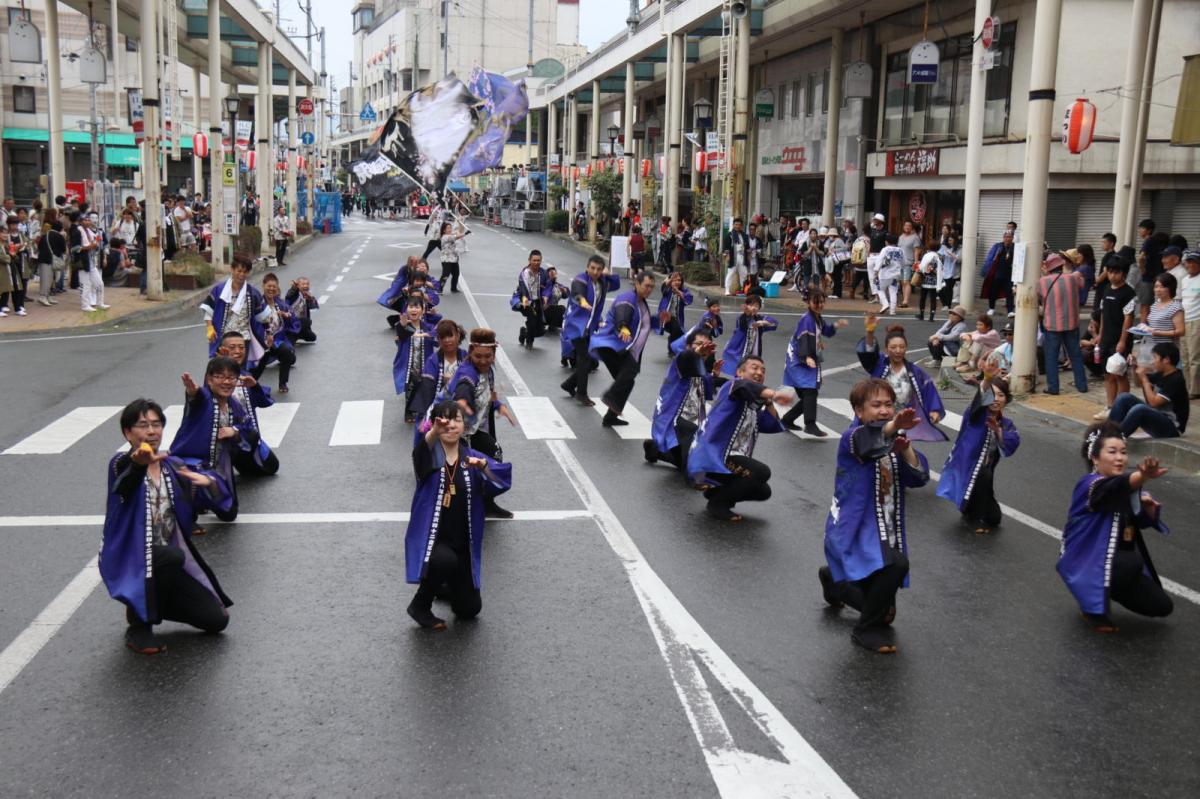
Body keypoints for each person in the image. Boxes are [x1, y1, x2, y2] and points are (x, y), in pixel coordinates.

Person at [101, 399, 232, 655]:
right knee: (172, 557)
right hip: (132, 555)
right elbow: (124, 486)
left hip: (165, 561)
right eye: (142, 425)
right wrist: (139, 464)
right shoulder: (120, 463)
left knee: (217, 620)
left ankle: (147, 600)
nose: (151, 431)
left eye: (156, 424)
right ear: (128, 433)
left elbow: (209, 496)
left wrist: (209, 482)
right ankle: (139, 625)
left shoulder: (172, 465)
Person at [819, 378, 930, 654]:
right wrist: (893, 427)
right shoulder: (852, 437)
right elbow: (868, 443)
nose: (884, 410)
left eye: (889, 405)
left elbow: (917, 478)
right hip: (855, 531)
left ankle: (836, 582)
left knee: (887, 614)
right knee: (897, 565)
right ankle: (864, 630)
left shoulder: (891, 442)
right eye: (876, 405)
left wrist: (905, 446)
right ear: (859, 411)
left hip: (883, 530)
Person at [404, 400, 512, 629]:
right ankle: (420, 605)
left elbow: (500, 483)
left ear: (464, 426)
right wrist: (434, 430)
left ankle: (445, 585)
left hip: (462, 542)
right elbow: (419, 454)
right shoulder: (431, 455)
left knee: (470, 609)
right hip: (433, 539)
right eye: (445, 420)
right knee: (444, 560)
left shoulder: (471, 457)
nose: (451, 425)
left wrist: (483, 467)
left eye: (457, 420)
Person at [1057, 422, 1173, 633]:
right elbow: (1114, 488)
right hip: (1086, 561)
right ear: (1095, 457)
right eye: (1112, 452)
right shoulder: (1090, 485)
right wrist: (1142, 476)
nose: (1120, 458)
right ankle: (1091, 605)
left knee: (1162, 606)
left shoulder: (1122, 486)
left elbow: (1135, 522)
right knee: (1130, 562)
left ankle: (1105, 590)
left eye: (1123, 452)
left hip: (1114, 562)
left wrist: (1148, 511)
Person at [687, 355, 792, 521]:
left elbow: (771, 424)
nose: (759, 372)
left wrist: (769, 402)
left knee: (763, 490)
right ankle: (718, 504)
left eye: (763, 370)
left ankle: (716, 494)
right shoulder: (733, 386)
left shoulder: (752, 405)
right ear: (740, 372)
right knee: (761, 472)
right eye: (754, 368)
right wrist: (775, 393)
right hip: (715, 456)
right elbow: (745, 386)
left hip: (731, 460)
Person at [936, 362, 1020, 533]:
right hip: (967, 470)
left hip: (984, 479)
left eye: (1001, 395)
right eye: (993, 394)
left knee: (994, 518)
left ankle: (975, 507)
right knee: (983, 474)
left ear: (1007, 399)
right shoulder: (976, 415)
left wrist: (998, 430)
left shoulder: (1007, 424)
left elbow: (1012, 443)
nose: (996, 399)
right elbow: (979, 403)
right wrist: (987, 380)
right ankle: (974, 516)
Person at [446, 328, 517, 518]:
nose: (484, 360)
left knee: (490, 458)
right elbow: (465, 387)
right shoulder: (467, 372)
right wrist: (461, 401)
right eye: (478, 356)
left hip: (472, 428)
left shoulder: (488, 371)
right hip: (452, 428)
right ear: (470, 353)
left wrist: (498, 405)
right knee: (464, 468)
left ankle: (485, 502)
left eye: (488, 356)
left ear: (494, 354)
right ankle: (466, 506)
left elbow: (487, 394)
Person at [171, 358, 251, 523]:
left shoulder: (234, 405)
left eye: (231, 377)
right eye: (220, 376)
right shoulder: (205, 398)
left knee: (229, 513)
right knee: (189, 496)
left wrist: (234, 431)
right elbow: (196, 397)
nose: (226, 382)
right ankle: (189, 510)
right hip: (190, 463)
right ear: (209, 379)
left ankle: (203, 498)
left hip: (217, 468)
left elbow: (247, 427)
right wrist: (192, 391)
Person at [644, 328, 719, 478]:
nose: (703, 347)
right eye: (698, 344)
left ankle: (655, 450)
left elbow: (707, 392)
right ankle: (694, 475)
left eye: (706, 345)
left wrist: (714, 376)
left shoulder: (701, 367)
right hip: (677, 418)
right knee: (693, 461)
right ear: (688, 346)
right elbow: (687, 358)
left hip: (695, 419)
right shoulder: (680, 360)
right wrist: (696, 352)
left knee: (682, 461)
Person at [858, 317, 947, 441]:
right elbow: (868, 353)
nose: (898, 351)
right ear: (886, 349)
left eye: (902, 347)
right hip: (877, 420)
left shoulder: (914, 372)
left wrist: (934, 410)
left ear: (906, 348)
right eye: (893, 347)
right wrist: (870, 332)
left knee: (905, 457)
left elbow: (929, 390)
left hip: (900, 423)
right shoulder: (879, 364)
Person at [590, 271, 658, 427]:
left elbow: (642, 324)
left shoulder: (641, 302)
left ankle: (610, 416)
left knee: (628, 380)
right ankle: (609, 397)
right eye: (647, 286)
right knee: (628, 374)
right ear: (637, 284)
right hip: (614, 346)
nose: (649, 289)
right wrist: (623, 327)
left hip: (626, 349)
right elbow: (623, 314)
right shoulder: (628, 298)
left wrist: (659, 319)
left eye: (652, 287)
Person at [780, 288, 848, 436]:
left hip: (803, 359)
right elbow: (803, 339)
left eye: (822, 301)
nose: (820, 305)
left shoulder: (816, 317)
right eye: (816, 302)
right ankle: (810, 424)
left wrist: (836, 325)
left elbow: (827, 331)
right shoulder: (807, 319)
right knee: (810, 392)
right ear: (808, 302)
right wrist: (807, 357)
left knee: (808, 394)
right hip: (799, 359)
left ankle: (787, 419)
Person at [216, 331, 281, 476]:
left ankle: (243, 459)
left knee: (272, 466)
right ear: (222, 349)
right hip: (225, 437)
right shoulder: (215, 376)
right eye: (232, 347)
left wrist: (255, 386)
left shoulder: (245, 375)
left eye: (241, 347)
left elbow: (265, 402)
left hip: (247, 433)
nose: (238, 351)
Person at [559, 255, 621, 405]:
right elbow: (577, 293)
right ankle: (581, 394)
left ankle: (568, 385)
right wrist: (583, 302)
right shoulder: (580, 279)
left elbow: (617, 284)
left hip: (589, 328)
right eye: (592, 268)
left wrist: (608, 274)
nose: (595, 271)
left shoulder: (603, 282)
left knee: (591, 362)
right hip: (575, 326)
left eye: (599, 269)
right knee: (584, 358)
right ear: (587, 268)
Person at [202, 253, 270, 368]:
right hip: (224, 338)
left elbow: (262, 316)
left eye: (245, 272)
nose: (241, 275)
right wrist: (209, 327)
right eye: (239, 271)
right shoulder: (219, 290)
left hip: (243, 339)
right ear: (232, 270)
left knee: (240, 371)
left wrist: (269, 333)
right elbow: (209, 310)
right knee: (222, 369)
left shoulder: (252, 292)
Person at [1107, 343, 1189, 438]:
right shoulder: (1162, 373)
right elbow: (1138, 383)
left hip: (1172, 427)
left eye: (1155, 358)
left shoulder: (1176, 379)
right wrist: (1135, 367)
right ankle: (1107, 432)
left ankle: (1116, 438)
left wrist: (1145, 380)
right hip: (1157, 416)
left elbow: (1153, 402)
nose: (1153, 362)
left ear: (1166, 360)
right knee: (1124, 397)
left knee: (1139, 409)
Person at [1038, 252, 1089, 395]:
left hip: (1052, 325)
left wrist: (1044, 274)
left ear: (1048, 267)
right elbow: (1082, 283)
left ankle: (1053, 388)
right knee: (1075, 355)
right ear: (1061, 265)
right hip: (1072, 324)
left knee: (1051, 357)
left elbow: (1038, 296)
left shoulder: (1043, 281)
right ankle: (1082, 385)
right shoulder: (1073, 279)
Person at [1094, 258, 1138, 419]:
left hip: (1121, 339)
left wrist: (1122, 341)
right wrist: (1100, 334)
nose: (1112, 276)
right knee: (1108, 374)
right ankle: (1110, 407)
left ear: (1124, 274)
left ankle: (1122, 408)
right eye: (1110, 272)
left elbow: (1128, 318)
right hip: (1106, 338)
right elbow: (1104, 314)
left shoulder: (1128, 293)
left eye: (1116, 272)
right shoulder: (1106, 289)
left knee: (1120, 373)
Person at [252, 274, 299, 394]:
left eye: (274, 286)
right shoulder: (258, 304)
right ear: (263, 285)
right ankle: (251, 384)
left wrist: (287, 316)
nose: (271, 289)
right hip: (261, 341)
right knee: (258, 365)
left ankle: (283, 383)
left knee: (288, 354)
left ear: (277, 288)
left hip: (277, 341)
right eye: (269, 286)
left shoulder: (280, 304)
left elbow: (292, 317)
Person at [394, 295, 437, 423]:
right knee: (410, 386)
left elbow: (437, 336)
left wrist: (426, 334)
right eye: (411, 307)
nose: (414, 310)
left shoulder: (428, 327)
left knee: (423, 385)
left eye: (417, 307)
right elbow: (400, 337)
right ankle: (408, 412)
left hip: (425, 363)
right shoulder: (402, 325)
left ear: (423, 310)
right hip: (408, 363)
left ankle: (423, 409)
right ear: (406, 310)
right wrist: (402, 327)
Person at [719, 294, 778, 379]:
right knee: (740, 372)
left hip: (754, 351)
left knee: (752, 373)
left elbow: (774, 323)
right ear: (746, 306)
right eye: (751, 305)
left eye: (756, 306)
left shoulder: (759, 318)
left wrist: (762, 323)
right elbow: (742, 325)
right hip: (741, 350)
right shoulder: (742, 317)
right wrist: (746, 314)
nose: (753, 308)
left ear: (759, 308)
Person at [71, 212, 107, 312]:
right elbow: (74, 248)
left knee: (99, 283)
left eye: (88, 220)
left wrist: (95, 244)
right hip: (82, 261)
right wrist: (88, 247)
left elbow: (97, 243)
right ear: (80, 221)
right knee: (85, 284)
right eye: (85, 220)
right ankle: (85, 305)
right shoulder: (77, 231)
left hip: (91, 260)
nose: (88, 222)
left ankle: (100, 303)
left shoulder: (90, 231)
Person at [513, 249, 549, 349]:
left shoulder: (543, 273)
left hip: (539, 302)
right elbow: (523, 289)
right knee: (532, 321)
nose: (536, 262)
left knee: (540, 331)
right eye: (534, 260)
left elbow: (548, 286)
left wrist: (546, 296)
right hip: (527, 302)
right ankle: (529, 342)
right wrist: (524, 300)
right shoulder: (524, 274)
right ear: (529, 260)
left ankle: (524, 332)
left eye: (538, 260)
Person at [981, 229, 1016, 317]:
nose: (1008, 239)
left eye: (1010, 237)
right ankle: (991, 308)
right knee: (993, 291)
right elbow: (989, 258)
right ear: (1003, 238)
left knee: (1009, 292)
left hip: (1009, 274)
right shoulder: (998, 246)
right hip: (996, 273)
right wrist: (986, 270)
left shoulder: (1015, 247)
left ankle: (1010, 310)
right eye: (1006, 237)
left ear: (1012, 238)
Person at [1179, 250, 1200, 397]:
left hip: (1197, 321)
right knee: (1185, 358)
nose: (1190, 264)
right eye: (1188, 261)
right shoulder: (1185, 279)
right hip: (1183, 321)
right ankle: (1186, 388)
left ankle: (1195, 390)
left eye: (1194, 262)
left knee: (1195, 357)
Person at [1145, 273, 1184, 346]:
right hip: (1150, 345)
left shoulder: (1176, 306)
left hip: (1167, 348)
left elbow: (1181, 331)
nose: (1158, 290)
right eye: (1156, 287)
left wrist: (1158, 333)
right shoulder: (1154, 305)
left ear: (1170, 288)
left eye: (1162, 287)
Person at [657, 271, 693, 350]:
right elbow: (663, 290)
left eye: (679, 280)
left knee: (679, 332)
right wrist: (669, 281)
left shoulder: (684, 291)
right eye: (675, 280)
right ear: (671, 281)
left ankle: (672, 346)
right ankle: (672, 349)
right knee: (676, 329)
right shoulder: (668, 289)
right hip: (666, 317)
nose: (677, 282)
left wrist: (679, 292)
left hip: (678, 318)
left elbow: (689, 300)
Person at [873, 233, 904, 315]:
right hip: (896, 274)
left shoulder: (885, 249)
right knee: (893, 292)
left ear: (887, 241)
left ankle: (885, 304)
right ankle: (892, 311)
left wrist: (876, 272)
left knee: (880, 289)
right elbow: (903, 262)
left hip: (885, 274)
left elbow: (879, 261)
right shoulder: (900, 250)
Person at [285, 277, 319, 345]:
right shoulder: (294, 294)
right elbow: (289, 295)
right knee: (307, 321)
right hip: (291, 323)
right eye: (303, 284)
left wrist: (311, 299)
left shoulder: (306, 296)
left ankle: (298, 335)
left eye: (307, 284)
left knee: (312, 337)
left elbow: (315, 306)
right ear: (297, 285)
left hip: (301, 324)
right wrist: (294, 288)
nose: (306, 286)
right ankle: (290, 336)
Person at [722, 217, 750, 296]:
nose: (737, 226)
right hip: (733, 256)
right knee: (730, 273)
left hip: (742, 256)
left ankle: (743, 289)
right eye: (736, 224)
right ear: (733, 225)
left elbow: (747, 247)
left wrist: (748, 256)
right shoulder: (729, 235)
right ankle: (727, 290)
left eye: (739, 225)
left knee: (744, 273)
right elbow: (726, 247)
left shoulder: (744, 235)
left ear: (741, 226)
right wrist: (727, 256)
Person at [914, 241, 941, 321]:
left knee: (923, 297)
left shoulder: (927, 255)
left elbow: (922, 267)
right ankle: (931, 316)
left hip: (925, 279)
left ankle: (921, 314)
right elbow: (941, 268)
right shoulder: (939, 256)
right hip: (935, 280)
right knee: (933, 299)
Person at [438, 220, 468, 292]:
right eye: (448, 228)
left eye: (450, 228)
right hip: (446, 259)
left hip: (454, 258)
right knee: (446, 274)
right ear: (444, 230)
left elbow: (458, 232)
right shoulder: (444, 237)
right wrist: (465, 233)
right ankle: (439, 288)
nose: (450, 229)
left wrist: (461, 223)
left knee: (456, 274)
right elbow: (456, 237)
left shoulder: (451, 234)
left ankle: (453, 288)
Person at [897, 221, 921, 309]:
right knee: (902, 282)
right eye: (905, 225)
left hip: (909, 262)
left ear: (912, 228)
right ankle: (904, 299)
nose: (907, 227)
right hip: (900, 263)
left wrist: (916, 262)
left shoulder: (915, 237)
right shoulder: (901, 237)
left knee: (906, 281)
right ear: (903, 227)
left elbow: (916, 250)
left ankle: (906, 301)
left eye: (909, 225)